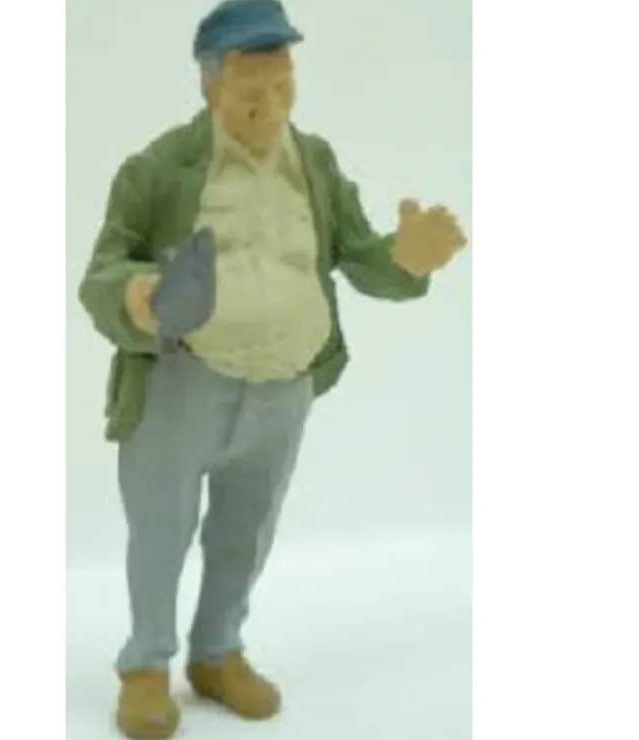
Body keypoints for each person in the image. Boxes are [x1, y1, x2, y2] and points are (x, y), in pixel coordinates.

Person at [78, 0, 467, 737]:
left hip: (285, 386)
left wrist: (406, 260)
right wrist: (135, 294)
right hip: (182, 381)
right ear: (210, 85)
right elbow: (104, 268)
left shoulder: (314, 162)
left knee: (247, 530)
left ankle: (217, 651)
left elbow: (361, 255)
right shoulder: (158, 167)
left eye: (283, 81)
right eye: (250, 85)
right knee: (160, 532)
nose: (271, 100)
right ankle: (146, 664)